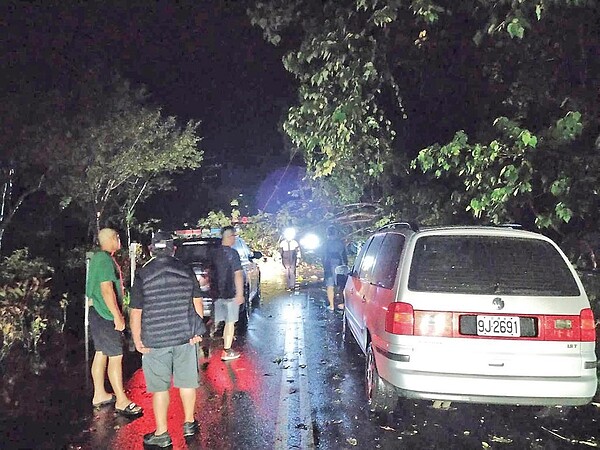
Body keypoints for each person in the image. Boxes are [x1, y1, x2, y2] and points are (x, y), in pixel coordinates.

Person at [129, 231, 205, 447]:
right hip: (184, 336)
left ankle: (162, 434)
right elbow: (197, 302)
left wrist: (137, 339)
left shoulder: (143, 274)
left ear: (152, 250)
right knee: (187, 382)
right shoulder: (185, 270)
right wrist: (197, 330)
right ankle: (189, 424)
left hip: (155, 339)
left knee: (160, 388)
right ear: (173, 249)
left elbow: (136, 311)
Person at [86, 228, 143, 417]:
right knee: (116, 357)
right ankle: (121, 400)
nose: (119, 240)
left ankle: (99, 394)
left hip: (97, 313)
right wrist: (118, 316)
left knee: (101, 353)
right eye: (117, 237)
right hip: (106, 315)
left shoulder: (97, 258)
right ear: (111, 239)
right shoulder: (103, 259)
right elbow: (107, 290)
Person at [212, 225, 244, 361]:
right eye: (234, 236)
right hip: (230, 294)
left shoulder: (213, 253)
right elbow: (238, 274)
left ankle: (206, 346)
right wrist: (240, 293)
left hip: (216, 294)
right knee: (230, 322)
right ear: (230, 237)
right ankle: (227, 350)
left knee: (217, 321)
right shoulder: (233, 254)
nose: (235, 239)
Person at [322, 226, 348, 311]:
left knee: (330, 286)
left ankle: (332, 305)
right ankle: (342, 303)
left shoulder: (325, 243)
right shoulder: (340, 243)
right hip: (340, 265)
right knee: (341, 285)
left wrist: (324, 266)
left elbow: (323, 256)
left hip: (329, 266)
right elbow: (344, 256)